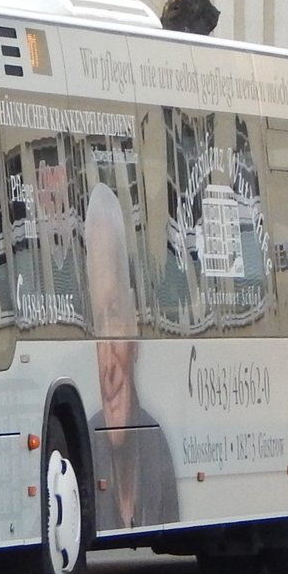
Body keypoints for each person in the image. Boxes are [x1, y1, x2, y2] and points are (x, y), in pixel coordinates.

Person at [84, 182, 179, 530]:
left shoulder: (157, 447)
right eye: (96, 324)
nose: (108, 365)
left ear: (135, 325)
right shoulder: (83, 445)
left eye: (114, 315)